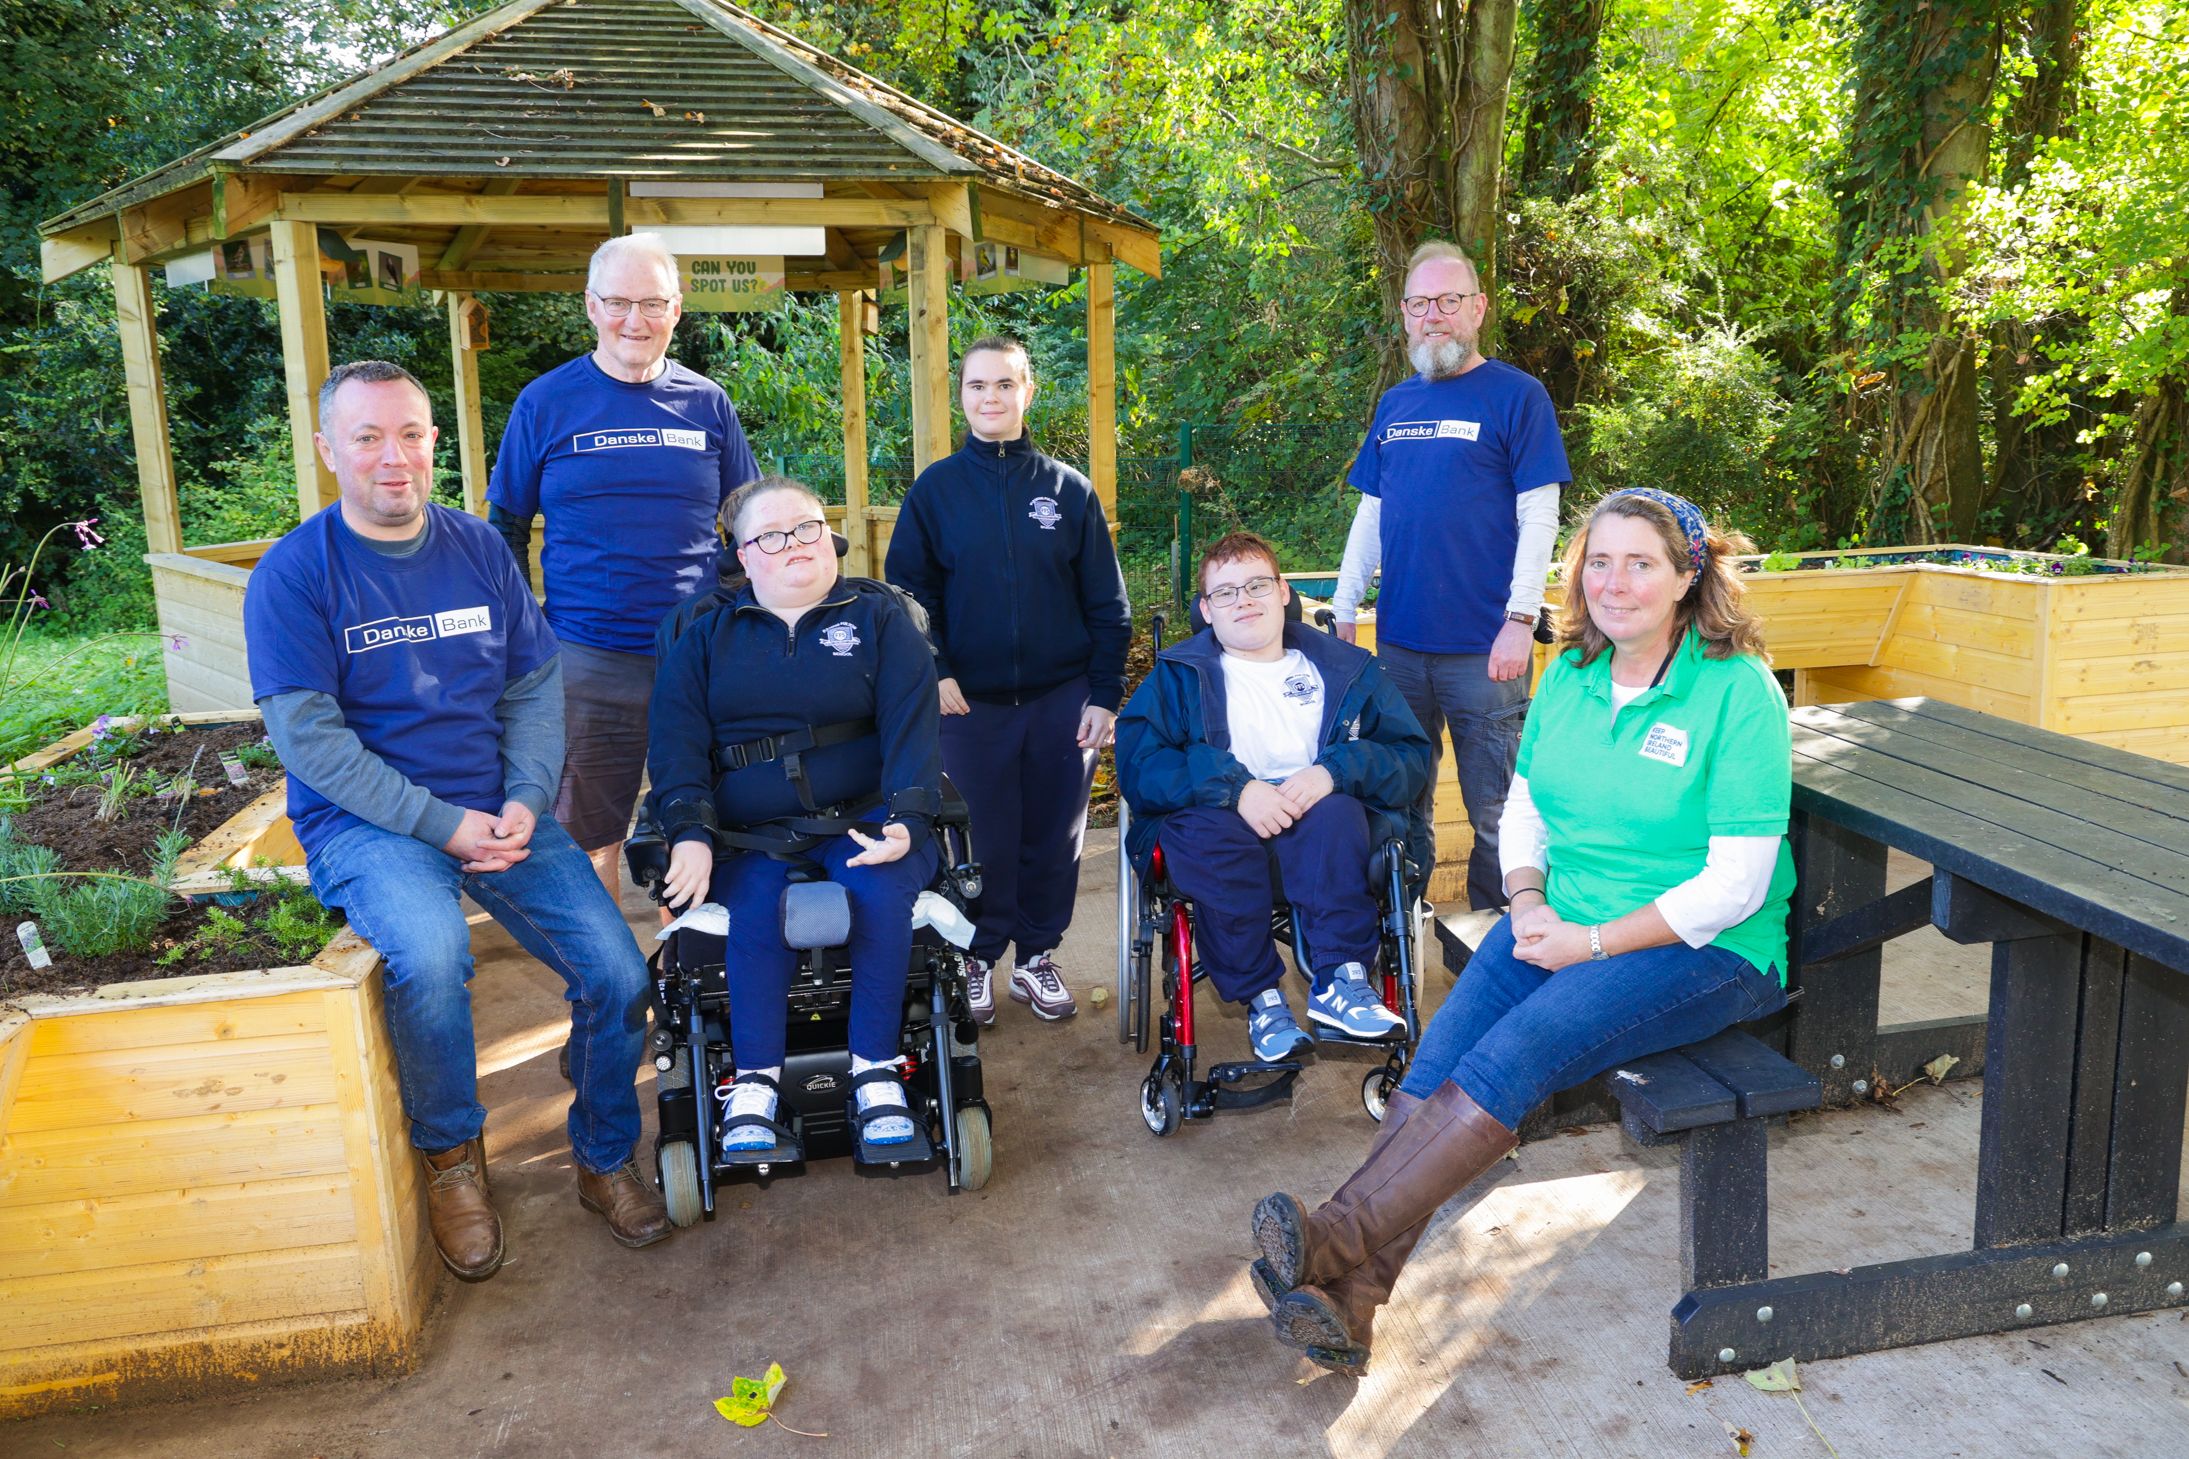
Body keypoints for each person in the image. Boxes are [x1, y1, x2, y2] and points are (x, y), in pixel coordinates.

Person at [1249, 488, 1796, 1375]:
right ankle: (1349, 1301)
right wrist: (1530, 898)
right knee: (1435, 1064)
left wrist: (1589, 942)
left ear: (1688, 575)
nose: (1614, 581)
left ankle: (1329, 1242)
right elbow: (1526, 809)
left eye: (1641, 562)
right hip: (1559, 915)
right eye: (1599, 561)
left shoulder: (1736, 691)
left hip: (1705, 947)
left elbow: (1732, 887)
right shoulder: (1574, 672)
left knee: (1514, 1054)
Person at [243, 361, 671, 1281]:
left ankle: (602, 1155)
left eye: (410, 434)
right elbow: (311, 743)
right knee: (433, 957)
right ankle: (451, 1161)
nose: (392, 457)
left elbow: (532, 683)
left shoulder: (479, 548)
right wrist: (442, 825)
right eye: (367, 437)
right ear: (327, 451)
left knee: (619, 972)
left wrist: (525, 794)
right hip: (370, 823)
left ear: (434, 441)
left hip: (498, 807)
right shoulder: (294, 575)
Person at [648, 477, 942, 1160]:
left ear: (830, 536)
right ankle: (754, 1083)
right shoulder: (702, 637)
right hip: (748, 835)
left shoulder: (879, 618)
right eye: (772, 536)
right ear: (743, 556)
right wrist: (688, 832)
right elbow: (676, 748)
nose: (795, 544)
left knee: (876, 889)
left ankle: (874, 1072)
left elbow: (911, 732)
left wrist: (908, 817)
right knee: (757, 904)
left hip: (865, 817)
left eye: (808, 528)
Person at [487, 232, 760, 902]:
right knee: (587, 840)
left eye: (652, 304)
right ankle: (612, 994)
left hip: (699, 659)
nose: (634, 321)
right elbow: (505, 530)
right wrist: (526, 636)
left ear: (677, 308)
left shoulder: (708, 403)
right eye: (618, 303)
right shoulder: (545, 402)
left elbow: (750, 522)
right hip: (586, 659)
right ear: (590, 305)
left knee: (705, 826)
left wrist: (728, 607)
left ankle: (685, 978)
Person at [885, 336, 1131, 1026]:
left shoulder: (1067, 490)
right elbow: (906, 595)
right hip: (970, 702)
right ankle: (974, 955)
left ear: (1028, 392)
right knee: (980, 841)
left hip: (1061, 699)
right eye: (976, 386)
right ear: (961, 395)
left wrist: (1104, 693)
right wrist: (934, 670)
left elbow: (1108, 606)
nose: (989, 397)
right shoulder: (935, 491)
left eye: (1003, 385)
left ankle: (1035, 959)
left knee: (1055, 837)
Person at [1115, 533, 1431, 1058]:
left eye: (1257, 584)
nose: (1243, 600)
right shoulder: (1177, 677)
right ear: (1205, 610)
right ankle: (1264, 1003)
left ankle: (1341, 983)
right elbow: (1142, 767)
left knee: (1335, 812)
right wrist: (1235, 789)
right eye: (1225, 592)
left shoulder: (1350, 670)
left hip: (1327, 836)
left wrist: (1333, 773)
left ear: (1284, 592)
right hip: (1220, 834)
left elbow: (1411, 759)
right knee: (1205, 831)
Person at [1333, 240, 1571, 910]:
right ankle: (1404, 935)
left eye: (1447, 301)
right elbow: (1371, 513)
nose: (1432, 315)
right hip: (1401, 648)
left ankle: (1495, 943)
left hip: (1485, 650)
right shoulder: (1395, 404)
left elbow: (1540, 513)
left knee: (1497, 810)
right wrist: (1344, 605)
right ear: (1404, 315)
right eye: (1418, 303)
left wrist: (1520, 618)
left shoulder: (1517, 397)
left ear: (1476, 309)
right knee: (1401, 801)